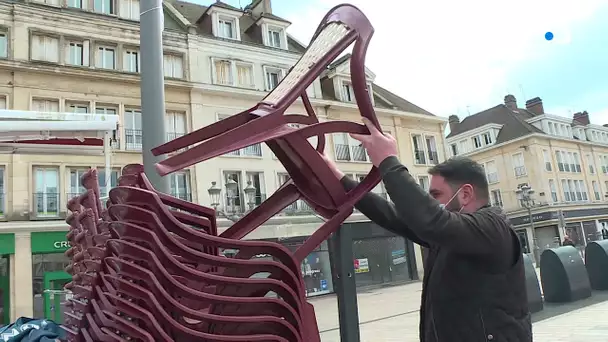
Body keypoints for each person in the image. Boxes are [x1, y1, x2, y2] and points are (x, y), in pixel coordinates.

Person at [322, 118, 532, 342]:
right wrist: (339, 178)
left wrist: (388, 161)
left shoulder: (493, 228)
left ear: (466, 194)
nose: (431, 202)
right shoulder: (450, 236)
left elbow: (430, 219)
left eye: (436, 195)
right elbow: (394, 216)